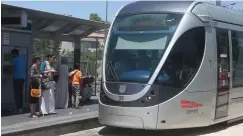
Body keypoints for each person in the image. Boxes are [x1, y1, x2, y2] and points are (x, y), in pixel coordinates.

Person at [11, 48, 26, 113]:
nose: (12, 55)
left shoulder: (15, 59)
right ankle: (21, 107)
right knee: (20, 93)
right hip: (22, 79)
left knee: (16, 94)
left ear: (14, 53)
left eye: (12, 54)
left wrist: (8, 69)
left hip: (16, 79)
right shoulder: (23, 59)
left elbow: (13, 70)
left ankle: (18, 108)